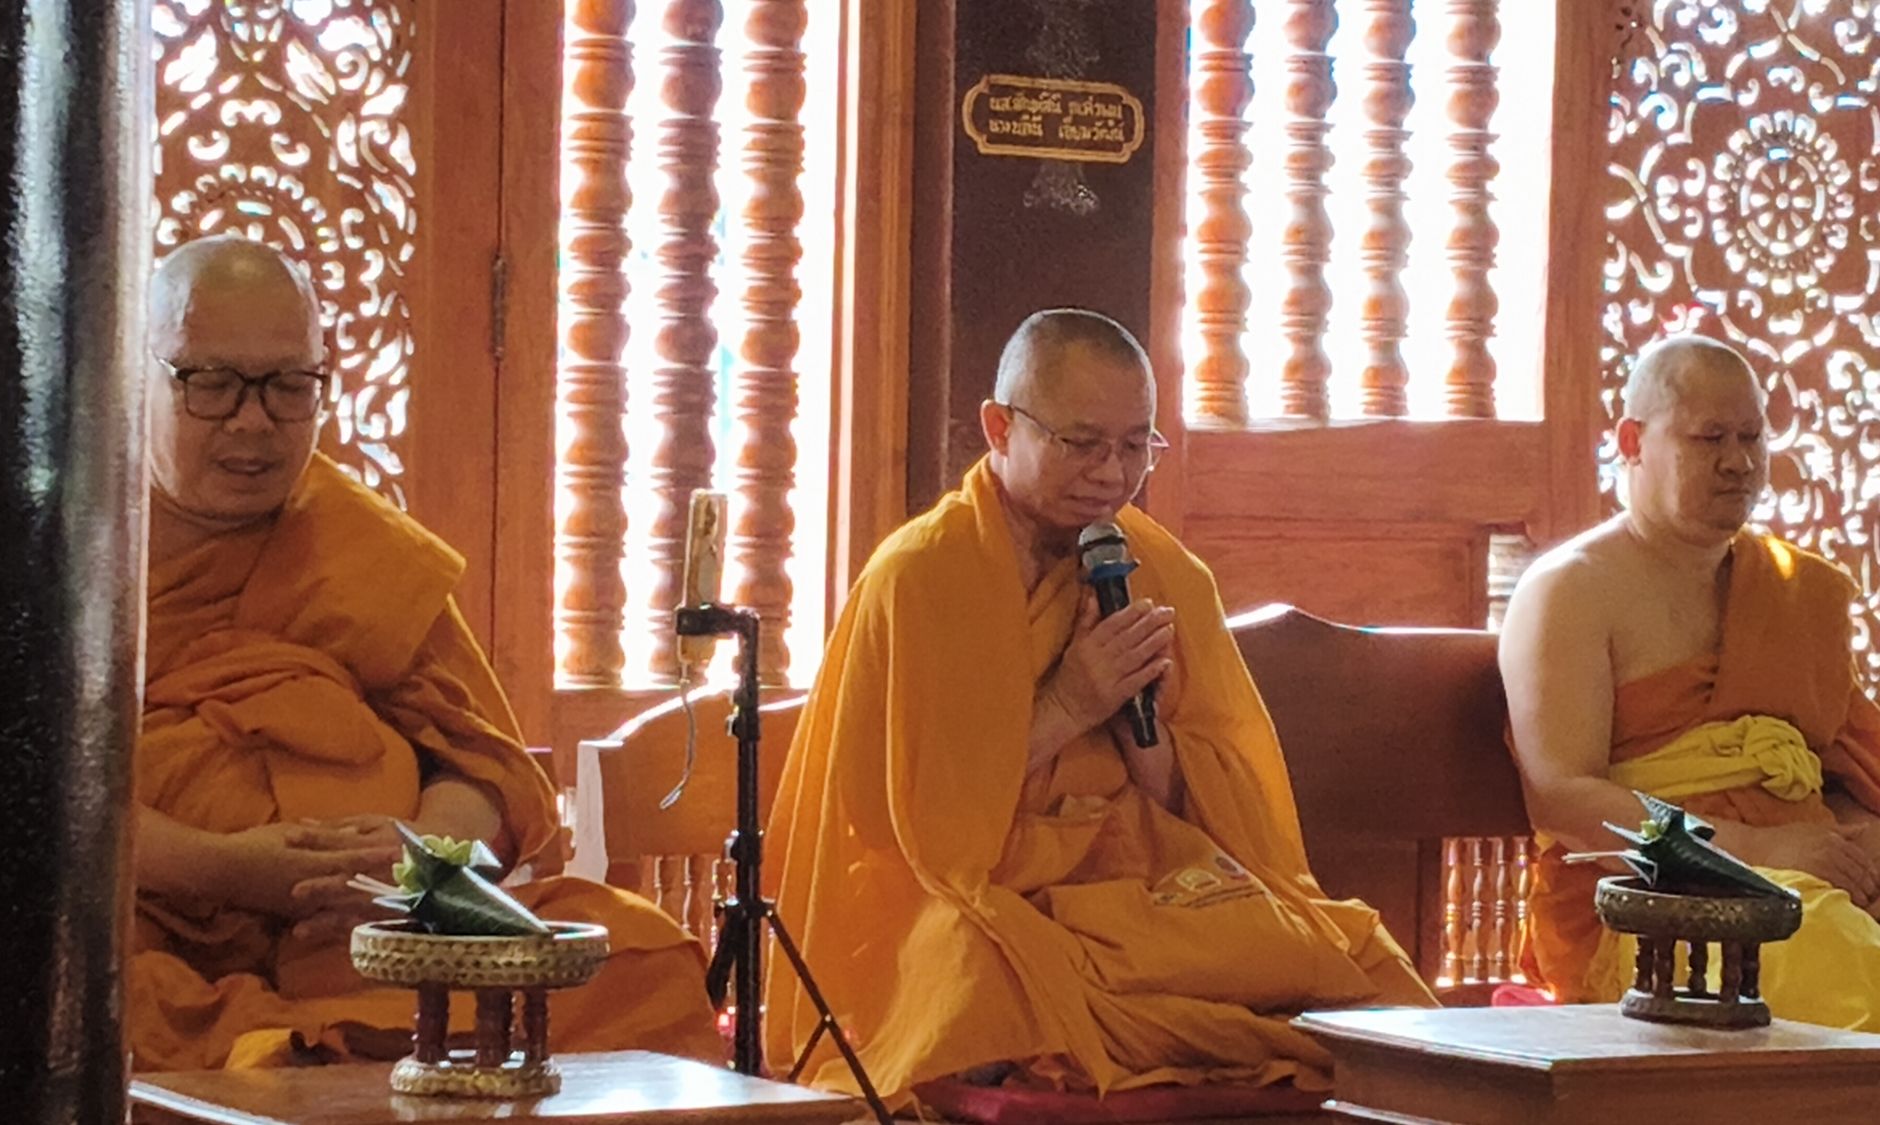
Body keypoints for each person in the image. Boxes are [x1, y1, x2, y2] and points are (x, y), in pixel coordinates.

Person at [763, 309, 1434, 1104]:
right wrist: (1069, 702)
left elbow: (1232, 814)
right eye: (1082, 443)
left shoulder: (1163, 573)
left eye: (1135, 445)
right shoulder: (920, 579)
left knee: (1356, 956)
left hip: (1138, 891)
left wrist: (1140, 731)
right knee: (977, 972)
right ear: (999, 428)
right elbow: (919, 835)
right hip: (992, 897)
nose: (1112, 473)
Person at [128, 236, 722, 1069]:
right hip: (167, 932)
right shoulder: (67, 553)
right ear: (136, 374)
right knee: (88, 994)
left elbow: (484, 767)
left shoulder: (358, 546)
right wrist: (226, 869)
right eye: (213, 384)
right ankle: (298, 1055)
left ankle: (330, 1052)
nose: (253, 420)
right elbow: (28, 800)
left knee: (636, 957)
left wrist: (420, 860)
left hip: (387, 931)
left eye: (290, 386)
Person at [1502, 334, 1880, 1023]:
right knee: (1824, 949)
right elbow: (1564, 798)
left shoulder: (1796, 590)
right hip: (1649, 909)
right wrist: (1757, 850)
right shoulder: (1572, 591)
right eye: (1710, 438)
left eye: (1752, 437)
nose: (1739, 462)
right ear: (1632, 441)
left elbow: (1837, 772)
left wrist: (1859, 846)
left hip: (1809, 884)